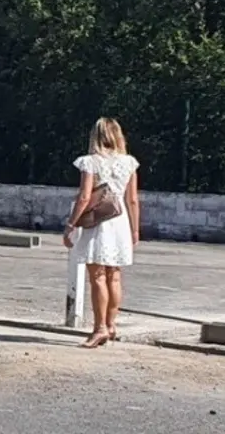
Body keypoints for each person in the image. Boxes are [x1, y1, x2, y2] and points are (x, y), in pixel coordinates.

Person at [62, 117, 140, 349]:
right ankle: (111, 324)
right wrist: (135, 229)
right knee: (114, 275)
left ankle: (99, 328)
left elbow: (85, 196)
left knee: (97, 276)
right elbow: (132, 200)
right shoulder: (129, 162)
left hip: (99, 222)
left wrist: (71, 224)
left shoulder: (90, 162)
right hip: (120, 220)